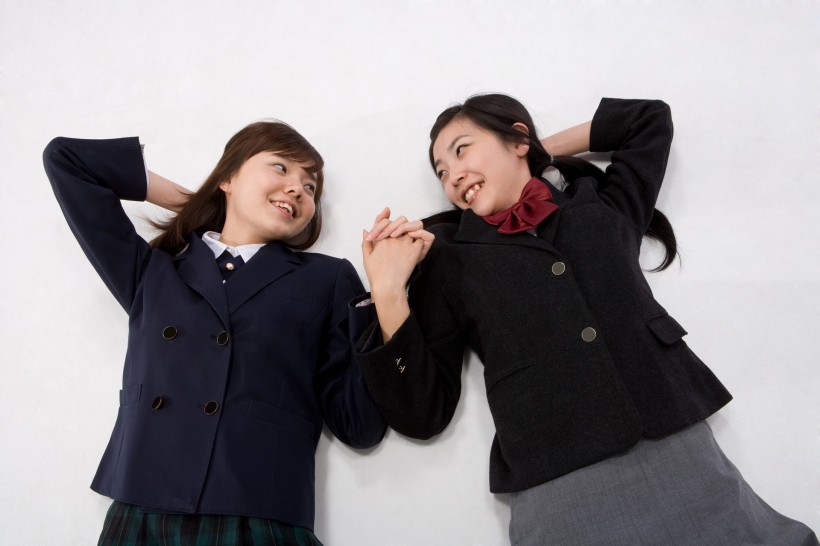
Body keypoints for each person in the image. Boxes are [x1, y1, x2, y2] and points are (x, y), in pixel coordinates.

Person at [355, 95, 818, 545]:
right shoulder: (447, 257)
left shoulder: (600, 204)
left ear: (517, 139)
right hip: (557, 474)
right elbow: (422, 411)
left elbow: (647, 120)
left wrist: (537, 150)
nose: (452, 176)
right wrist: (388, 292)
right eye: (440, 172)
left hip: (673, 442)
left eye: (461, 150)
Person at [43, 121, 386, 545]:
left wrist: (384, 296)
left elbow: (359, 426)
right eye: (281, 168)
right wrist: (200, 201)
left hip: (258, 513)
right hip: (144, 506)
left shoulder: (327, 278)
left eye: (310, 186)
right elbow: (66, 159)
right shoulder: (154, 271)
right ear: (228, 177)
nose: (298, 188)